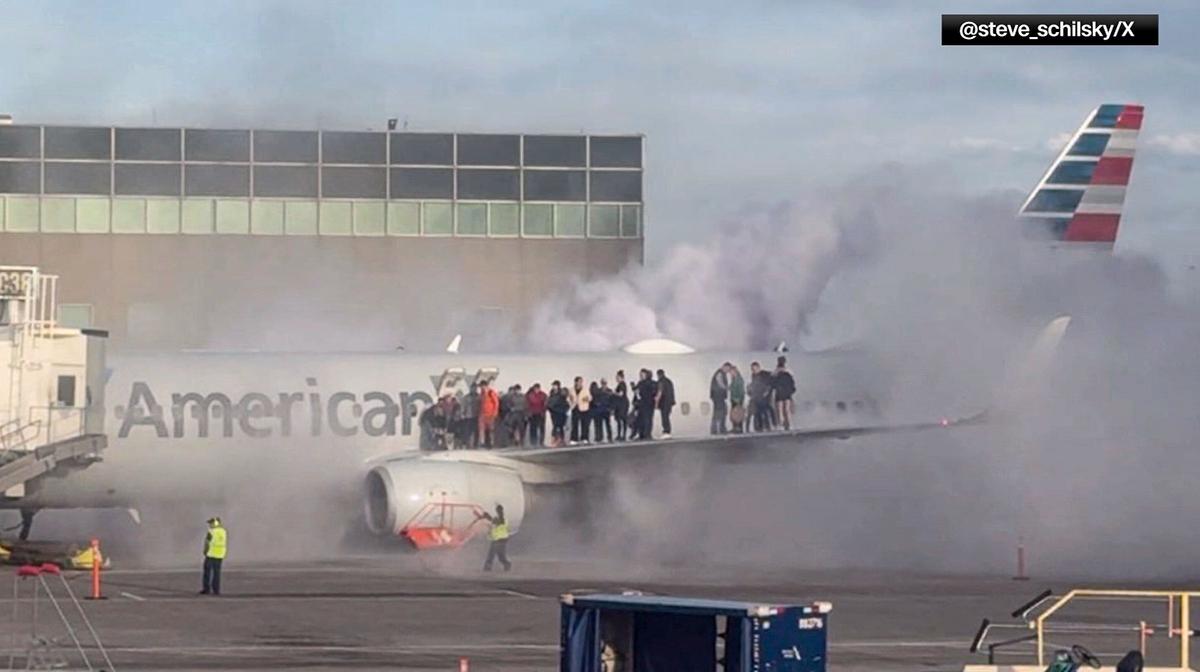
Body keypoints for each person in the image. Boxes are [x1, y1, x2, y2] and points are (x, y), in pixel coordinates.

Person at [477, 504, 512, 572]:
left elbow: (497, 522)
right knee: (500, 556)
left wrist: (487, 516)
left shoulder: (503, 519)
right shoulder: (498, 519)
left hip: (499, 540)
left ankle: (487, 567)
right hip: (500, 540)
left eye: (498, 510)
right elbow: (493, 522)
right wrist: (486, 517)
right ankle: (507, 564)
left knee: (491, 554)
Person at [199, 516, 227, 596]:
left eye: (211, 523)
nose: (210, 525)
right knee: (217, 573)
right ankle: (216, 590)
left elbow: (207, 542)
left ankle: (206, 589)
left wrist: (205, 551)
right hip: (220, 554)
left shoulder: (211, 531)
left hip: (211, 554)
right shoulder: (223, 531)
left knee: (207, 572)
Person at [773, 356, 796, 431]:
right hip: (786, 392)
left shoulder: (776, 372)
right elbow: (792, 383)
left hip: (781, 392)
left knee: (781, 410)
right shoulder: (788, 371)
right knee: (786, 409)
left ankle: (783, 424)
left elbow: (773, 382)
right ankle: (787, 424)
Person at [749, 361, 773, 432]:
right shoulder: (753, 375)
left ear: (759, 368)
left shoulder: (764, 374)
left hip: (764, 396)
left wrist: (767, 392)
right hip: (757, 396)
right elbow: (754, 385)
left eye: (755, 369)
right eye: (752, 369)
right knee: (757, 412)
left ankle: (768, 426)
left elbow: (770, 382)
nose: (754, 371)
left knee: (764, 411)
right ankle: (759, 427)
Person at [634, 369, 657, 440]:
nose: (640, 376)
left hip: (648, 403)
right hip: (643, 403)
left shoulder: (648, 383)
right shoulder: (641, 383)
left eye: (642, 375)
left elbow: (638, 392)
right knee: (642, 419)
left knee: (647, 419)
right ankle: (643, 434)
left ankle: (646, 434)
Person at [569, 376, 591, 444]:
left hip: (584, 408)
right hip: (575, 407)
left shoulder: (585, 389)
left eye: (581, 382)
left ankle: (584, 438)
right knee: (574, 424)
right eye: (579, 381)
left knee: (584, 424)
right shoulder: (571, 389)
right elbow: (568, 398)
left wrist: (585, 399)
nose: (580, 383)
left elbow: (590, 398)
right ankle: (574, 439)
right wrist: (571, 401)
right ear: (575, 382)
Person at [709, 363, 730, 435]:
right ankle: (719, 429)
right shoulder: (720, 373)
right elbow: (720, 383)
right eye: (727, 369)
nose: (728, 371)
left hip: (717, 396)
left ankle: (716, 429)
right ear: (724, 367)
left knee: (719, 412)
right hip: (718, 396)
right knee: (720, 412)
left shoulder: (719, 373)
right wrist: (727, 388)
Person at [478, 379, 500, 448]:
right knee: (482, 429)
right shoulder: (481, 394)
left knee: (491, 429)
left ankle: (491, 443)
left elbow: (496, 403)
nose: (482, 388)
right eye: (481, 387)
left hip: (490, 414)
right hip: (483, 414)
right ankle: (483, 443)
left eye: (483, 386)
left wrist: (495, 413)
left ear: (486, 386)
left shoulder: (491, 393)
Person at [547, 380, 569, 447]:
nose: (554, 387)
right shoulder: (552, 393)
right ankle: (554, 440)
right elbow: (550, 402)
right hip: (554, 412)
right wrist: (550, 408)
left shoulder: (561, 393)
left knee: (561, 426)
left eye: (555, 385)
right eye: (553, 385)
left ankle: (561, 440)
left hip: (561, 412)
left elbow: (565, 399)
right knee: (555, 426)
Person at [655, 369, 675, 439]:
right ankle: (667, 431)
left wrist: (656, 402)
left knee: (664, 417)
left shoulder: (661, 382)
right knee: (666, 416)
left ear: (658, 375)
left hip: (663, 402)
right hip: (669, 402)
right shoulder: (669, 381)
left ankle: (666, 431)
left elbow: (660, 392)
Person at [461, 382, 480, 447]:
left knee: (476, 431)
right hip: (468, 416)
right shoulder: (466, 397)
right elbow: (463, 405)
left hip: (477, 416)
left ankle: (475, 444)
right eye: (473, 388)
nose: (474, 389)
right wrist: (463, 413)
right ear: (470, 388)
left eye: (475, 388)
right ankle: (467, 444)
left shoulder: (479, 396)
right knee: (468, 431)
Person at [729, 364, 746, 433]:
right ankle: (735, 427)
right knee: (735, 414)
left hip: (737, 399)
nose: (730, 373)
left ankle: (738, 427)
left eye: (731, 372)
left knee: (737, 414)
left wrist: (739, 399)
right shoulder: (734, 379)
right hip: (734, 399)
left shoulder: (738, 380)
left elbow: (741, 391)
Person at [613, 370, 630, 441]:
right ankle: (621, 435)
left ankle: (622, 435)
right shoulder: (620, 384)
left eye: (617, 377)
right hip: (621, 404)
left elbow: (621, 394)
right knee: (621, 420)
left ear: (620, 377)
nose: (616, 378)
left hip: (623, 404)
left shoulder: (622, 384)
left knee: (622, 419)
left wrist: (614, 393)